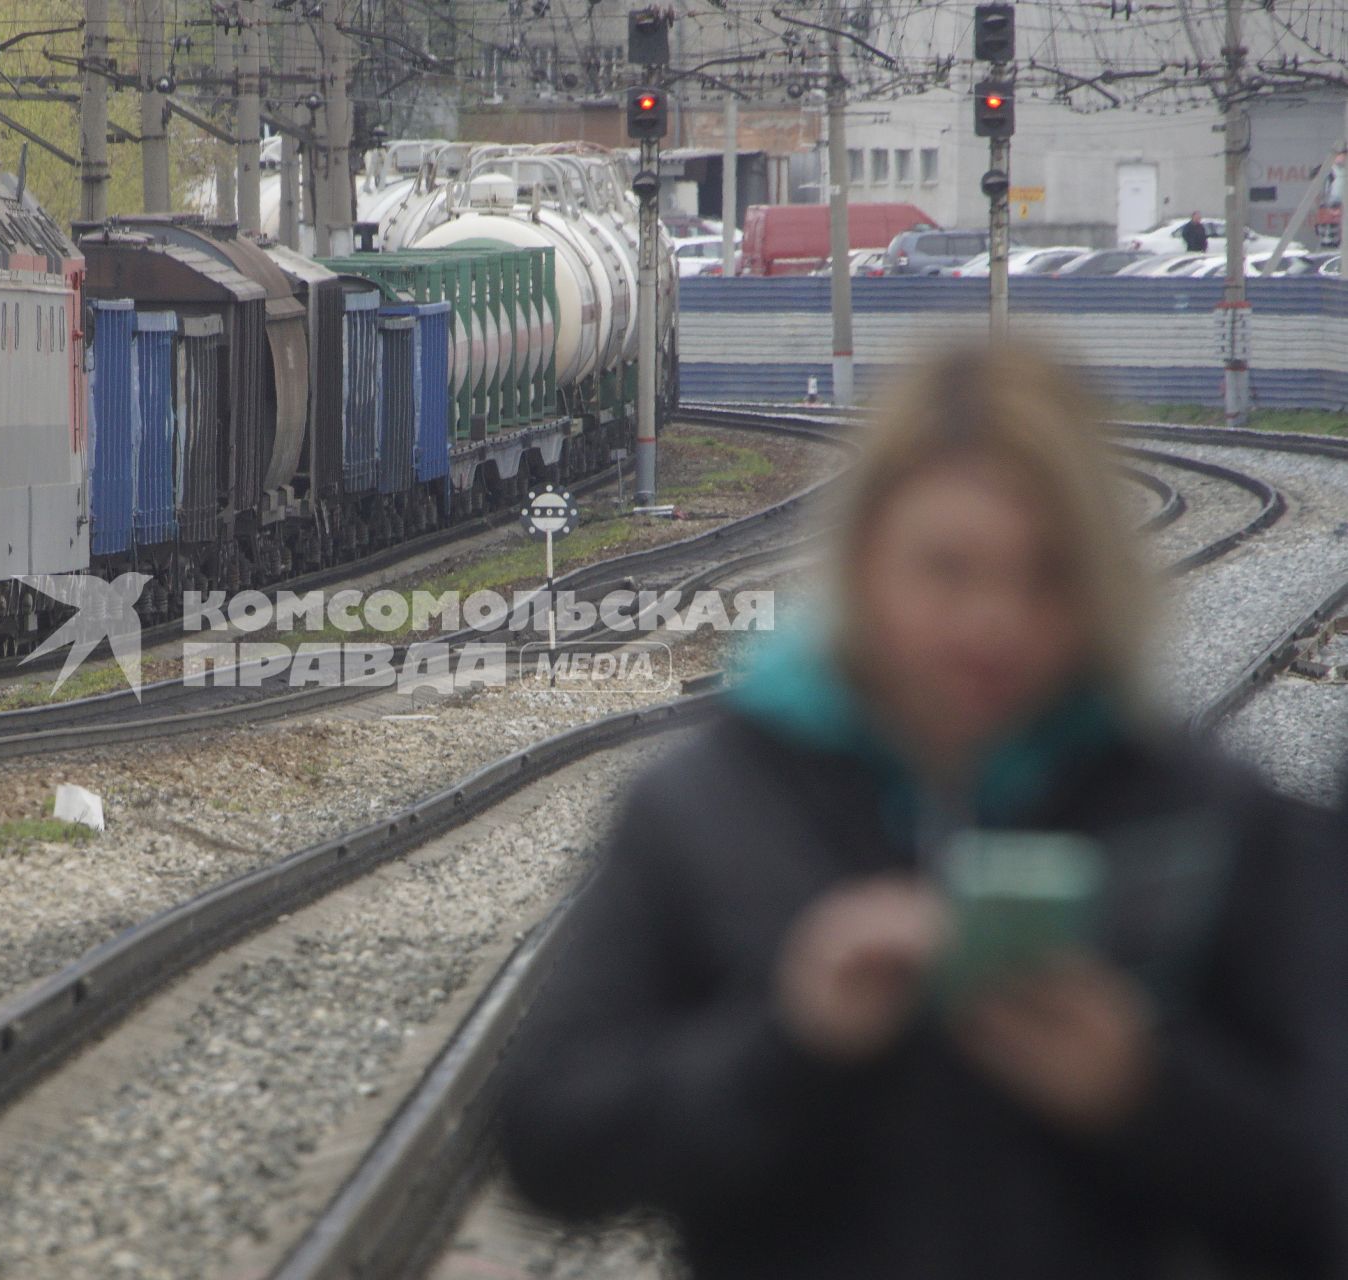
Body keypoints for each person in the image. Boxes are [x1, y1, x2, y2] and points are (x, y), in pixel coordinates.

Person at [499, 343, 1345, 1278]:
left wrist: (1143, 1087)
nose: (995, 622)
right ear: (865, 564)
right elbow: (549, 1144)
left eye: (1047, 575)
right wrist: (789, 1041)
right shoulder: (708, 802)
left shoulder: (1201, 810)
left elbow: (1314, 1188)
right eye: (948, 571)